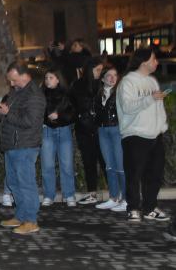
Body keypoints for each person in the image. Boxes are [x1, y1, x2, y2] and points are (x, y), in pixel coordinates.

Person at [116, 48, 169, 224]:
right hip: (135, 134)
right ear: (143, 61)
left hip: (155, 135)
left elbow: (159, 108)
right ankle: (133, 208)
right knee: (134, 174)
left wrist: (162, 126)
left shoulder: (153, 81)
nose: (156, 62)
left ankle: (150, 207)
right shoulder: (128, 82)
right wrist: (150, 99)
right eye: (154, 59)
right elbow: (128, 107)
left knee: (154, 174)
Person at [0, 62, 47, 235]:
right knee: (13, 182)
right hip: (13, 144)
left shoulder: (35, 95)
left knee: (26, 183)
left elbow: (29, 122)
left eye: (13, 79)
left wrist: (7, 113)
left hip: (25, 146)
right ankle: (21, 215)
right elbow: (7, 114)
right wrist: (2, 111)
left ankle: (31, 220)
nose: (11, 83)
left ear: (24, 75)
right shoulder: (16, 92)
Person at [70, 57, 104, 205]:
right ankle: (92, 193)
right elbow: (74, 106)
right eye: (98, 70)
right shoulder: (78, 85)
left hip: (100, 128)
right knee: (89, 162)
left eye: (101, 70)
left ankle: (118, 195)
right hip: (84, 129)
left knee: (106, 162)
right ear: (90, 70)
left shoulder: (102, 84)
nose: (100, 73)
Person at [40, 69, 76, 207]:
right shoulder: (41, 94)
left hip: (64, 130)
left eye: (51, 77)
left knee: (66, 164)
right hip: (47, 131)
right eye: (46, 77)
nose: (48, 80)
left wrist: (59, 116)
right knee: (47, 165)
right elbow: (37, 113)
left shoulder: (67, 94)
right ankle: (49, 195)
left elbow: (73, 113)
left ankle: (69, 194)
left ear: (58, 79)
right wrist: (46, 118)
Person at [95, 65, 127, 212]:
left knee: (120, 166)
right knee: (109, 165)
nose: (112, 78)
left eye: (115, 75)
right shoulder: (98, 94)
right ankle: (114, 197)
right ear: (102, 78)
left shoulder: (121, 93)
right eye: (109, 75)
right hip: (102, 131)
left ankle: (126, 199)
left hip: (116, 130)